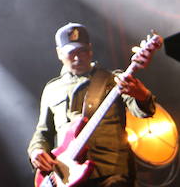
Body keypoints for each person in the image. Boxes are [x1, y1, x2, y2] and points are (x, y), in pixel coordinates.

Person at [28, 22, 157, 187]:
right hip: (67, 178)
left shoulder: (113, 80)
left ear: (90, 49)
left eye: (82, 51)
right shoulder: (52, 89)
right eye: (71, 52)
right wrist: (36, 151)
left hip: (111, 175)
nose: (78, 57)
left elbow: (145, 111)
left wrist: (141, 94)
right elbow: (43, 133)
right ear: (59, 53)